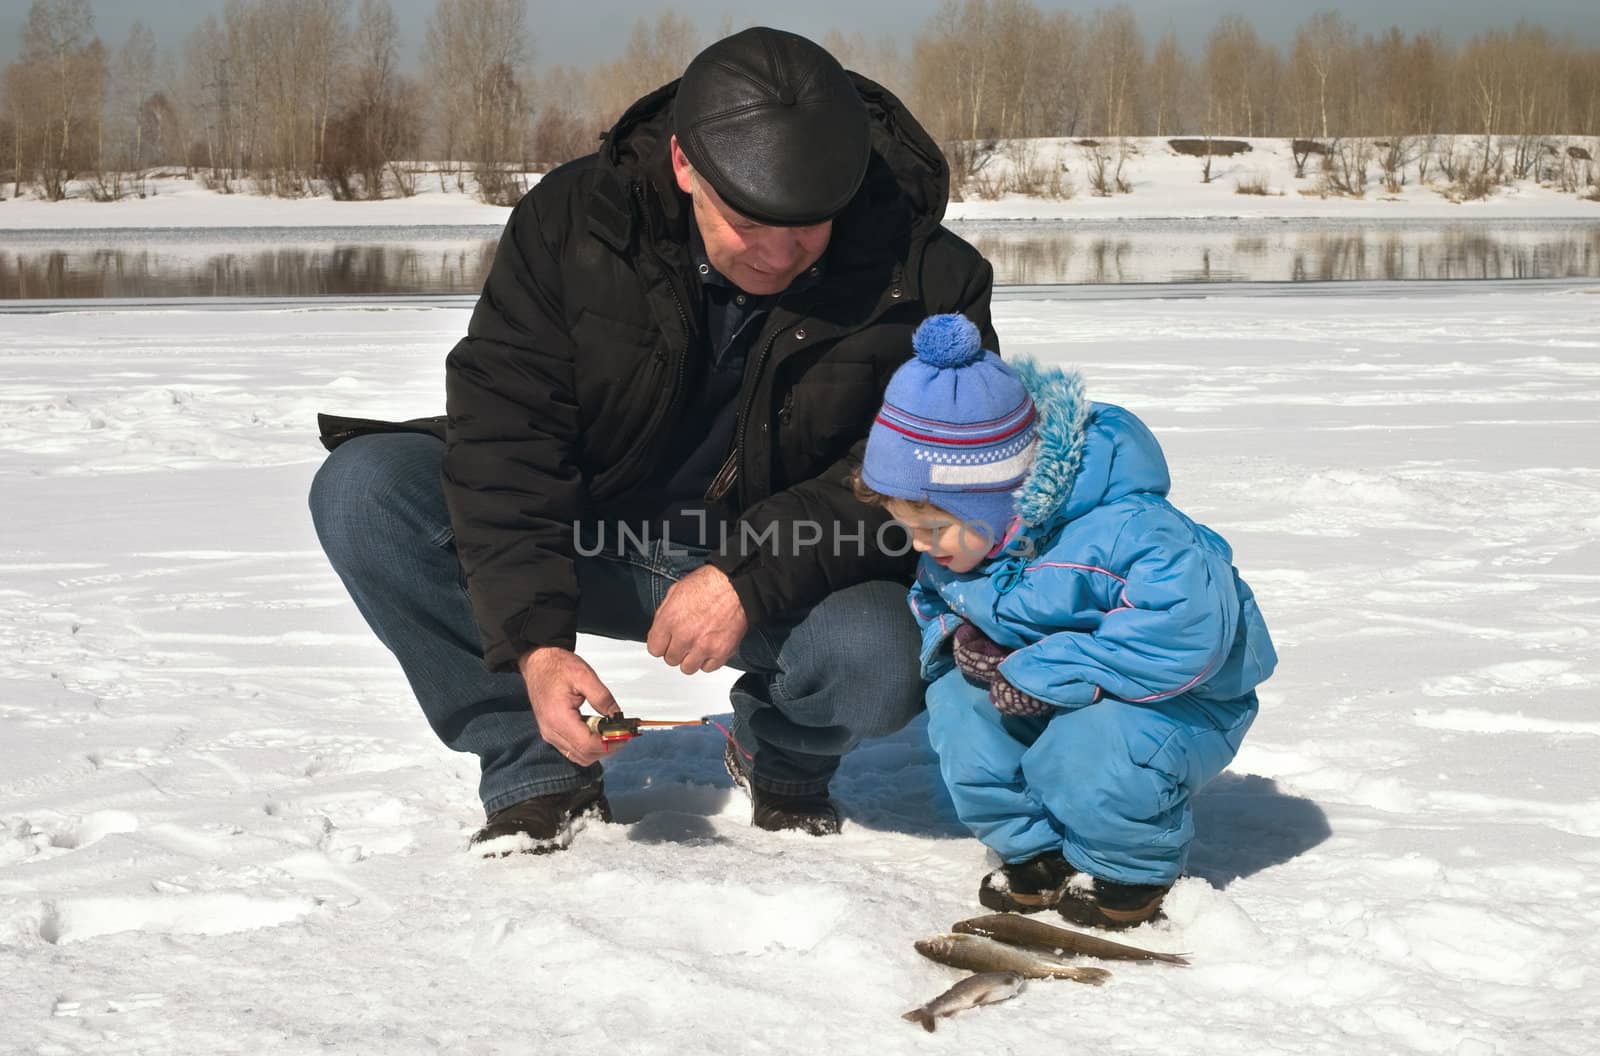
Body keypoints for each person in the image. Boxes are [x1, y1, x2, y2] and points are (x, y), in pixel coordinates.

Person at [307, 27, 996, 853]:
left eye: (811, 224)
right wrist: (533, 643)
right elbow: (506, 436)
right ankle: (537, 762)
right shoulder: (573, 224)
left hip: (789, 564)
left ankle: (781, 751)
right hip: (593, 536)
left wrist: (746, 575)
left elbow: (921, 475)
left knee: (881, 651)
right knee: (367, 492)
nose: (780, 252)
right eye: (752, 219)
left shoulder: (930, 277)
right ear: (684, 166)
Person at [855, 313, 1277, 928]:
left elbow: (1186, 635)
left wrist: (1046, 668)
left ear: (999, 501)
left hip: (1178, 699)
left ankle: (1127, 868)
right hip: (1040, 684)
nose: (920, 547)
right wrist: (960, 639)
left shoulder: (1135, 534)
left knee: (1090, 752)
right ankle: (1037, 852)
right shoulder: (962, 549)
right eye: (906, 529)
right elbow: (934, 602)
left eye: (932, 527)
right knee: (962, 717)